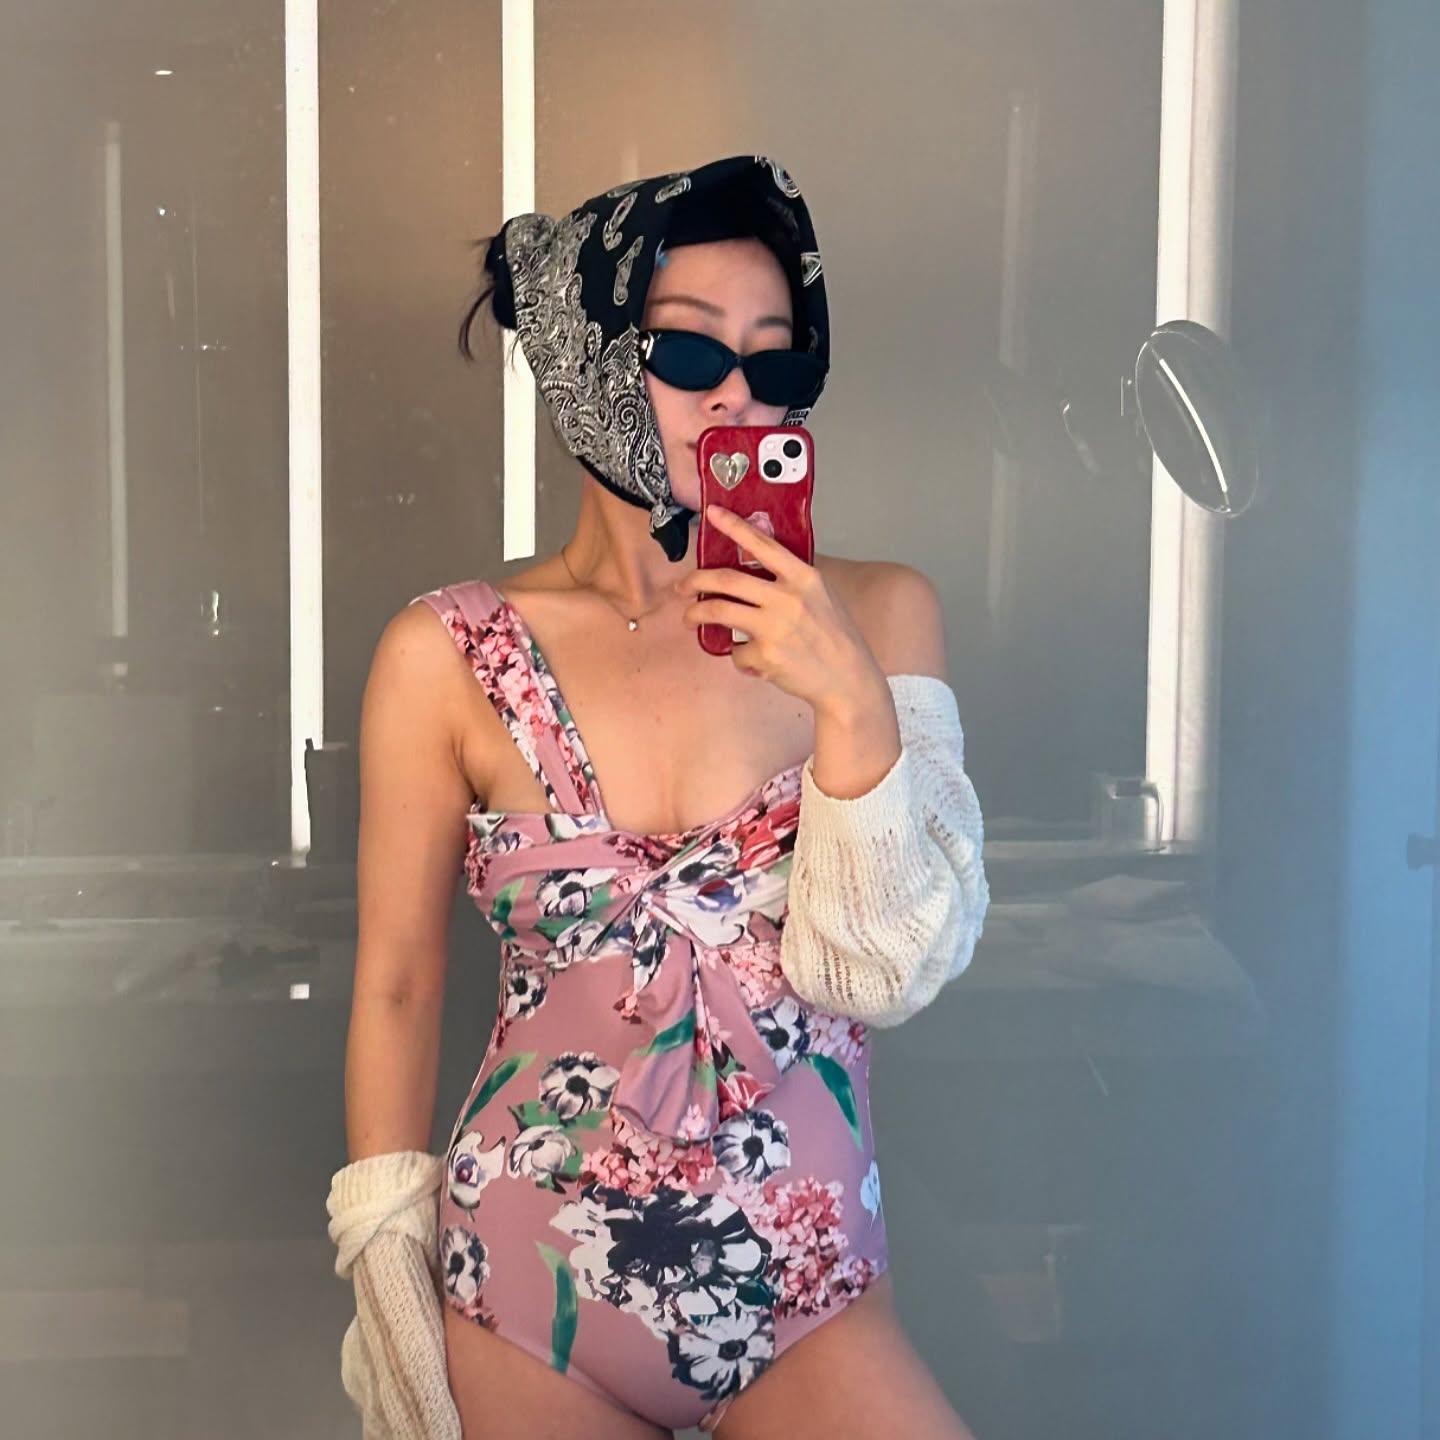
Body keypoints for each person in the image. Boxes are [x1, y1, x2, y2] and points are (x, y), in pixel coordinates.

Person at [327, 155, 989, 1440]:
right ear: (587, 361)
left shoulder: (879, 614)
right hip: (527, 1282)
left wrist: (852, 706)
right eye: (687, 353)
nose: (737, 394)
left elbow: (888, 978)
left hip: (808, 1289)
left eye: (775, 359)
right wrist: (386, 1266)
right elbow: (398, 984)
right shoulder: (444, 655)